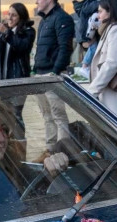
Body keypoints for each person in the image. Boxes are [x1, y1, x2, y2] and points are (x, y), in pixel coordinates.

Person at [33, 0, 74, 150]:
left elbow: (65, 48)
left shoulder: (63, 18)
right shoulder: (44, 21)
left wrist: (55, 72)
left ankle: (64, 151)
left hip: (51, 74)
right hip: (39, 75)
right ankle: (50, 150)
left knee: (58, 117)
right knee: (47, 117)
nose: (36, 1)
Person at [0, 3, 36, 126]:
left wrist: (7, 33)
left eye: (14, 15)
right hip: (3, 80)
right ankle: (9, 142)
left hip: (18, 79)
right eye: (9, 14)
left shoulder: (28, 31)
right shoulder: (4, 33)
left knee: (16, 114)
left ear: (21, 17)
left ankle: (20, 142)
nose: (10, 18)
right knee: (6, 114)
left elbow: (21, 47)